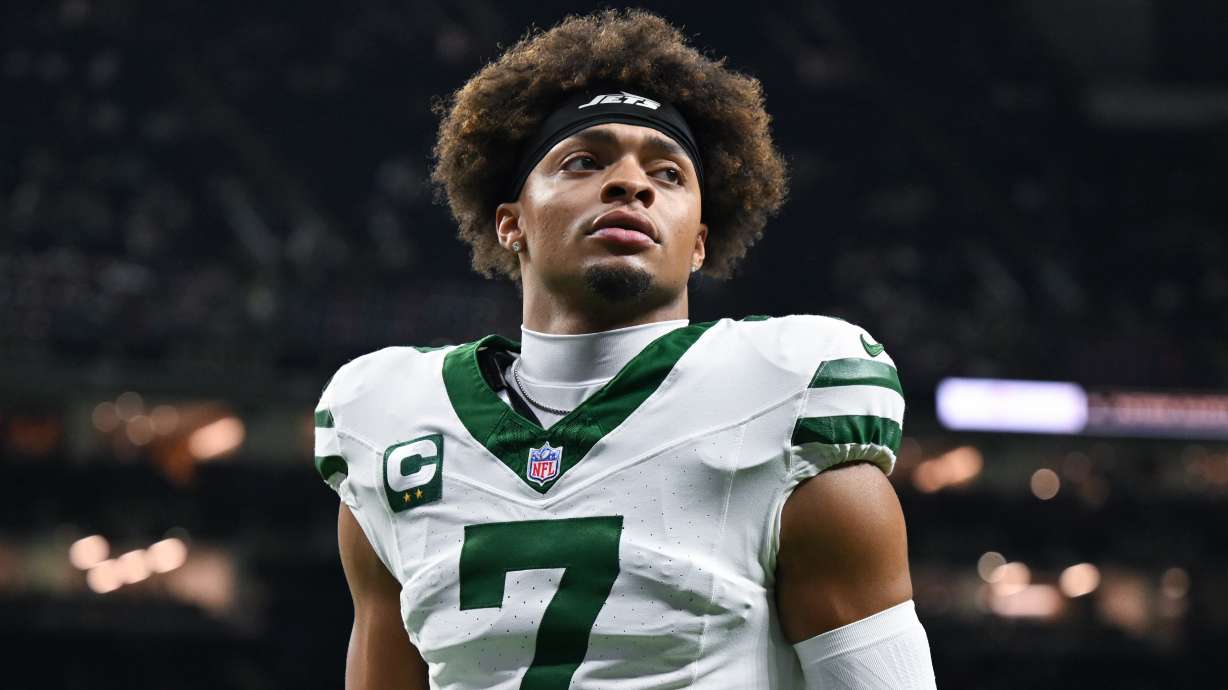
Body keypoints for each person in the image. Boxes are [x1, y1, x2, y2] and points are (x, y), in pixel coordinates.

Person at [314, 9, 936, 689]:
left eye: (669, 173)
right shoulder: (389, 421)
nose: (632, 184)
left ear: (700, 239)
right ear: (510, 222)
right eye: (584, 161)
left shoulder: (785, 393)